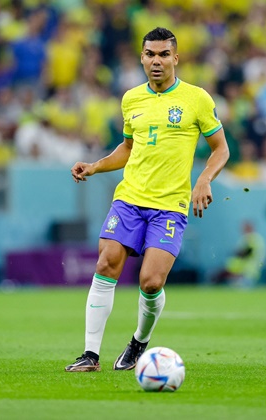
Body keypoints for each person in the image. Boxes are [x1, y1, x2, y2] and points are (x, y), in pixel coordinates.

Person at [65, 27, 229, 372]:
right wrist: (95, 166)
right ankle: (90, 355)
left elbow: (221, 149)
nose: (157, 61)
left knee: (151, 281)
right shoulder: (131, 99)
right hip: (129, 198)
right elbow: (128, 147)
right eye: (150, 54)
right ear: (141, 58)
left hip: (169, 205)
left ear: (175, 58)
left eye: (164, 54)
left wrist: (203, 179)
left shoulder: (196, 99)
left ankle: (139, 342)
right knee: (106, 263)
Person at [213, 221, 266, 287]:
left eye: (245, 228)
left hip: (247, 271)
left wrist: (236, 253)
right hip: (241, 269)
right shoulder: (246, 239)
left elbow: (245, 253)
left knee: (221, 276)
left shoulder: (253, 239)